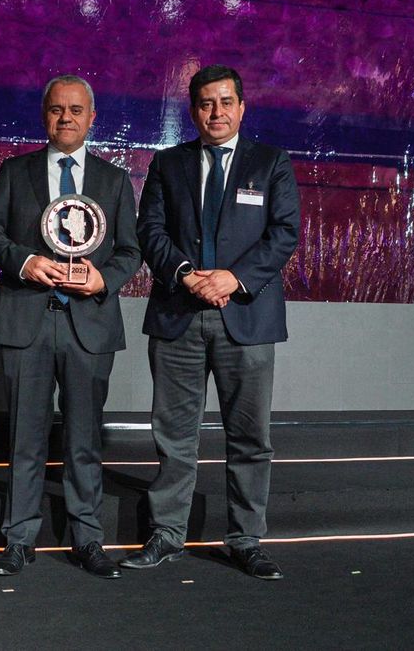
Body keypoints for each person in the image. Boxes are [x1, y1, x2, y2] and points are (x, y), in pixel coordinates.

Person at [123, 65, 300, 579]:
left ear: (242, 107)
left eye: (225, 102)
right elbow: (149, 230)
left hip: (246, 318)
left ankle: (246, 539)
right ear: (193, 110)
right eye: (206, 103)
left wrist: (233, 278)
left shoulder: (271, 163)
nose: (216, 112)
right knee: (174, 436)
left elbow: (284, 234)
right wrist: (185, 274)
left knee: (250, 438)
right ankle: (166, 533)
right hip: (178, 316)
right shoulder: (168, 163)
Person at [0, 75, 141, 578]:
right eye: (56, 109)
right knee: (24, 437)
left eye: (75, 110)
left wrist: (103, 279)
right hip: (26, 320)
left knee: (84, 438)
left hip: (88, 325)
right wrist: (25, 262)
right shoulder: (15, 171)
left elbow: (131, 251)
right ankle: (19, 538)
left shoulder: (114, 180)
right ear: (44, 115)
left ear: (92, 118)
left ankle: (88, 538)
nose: (66, 118)